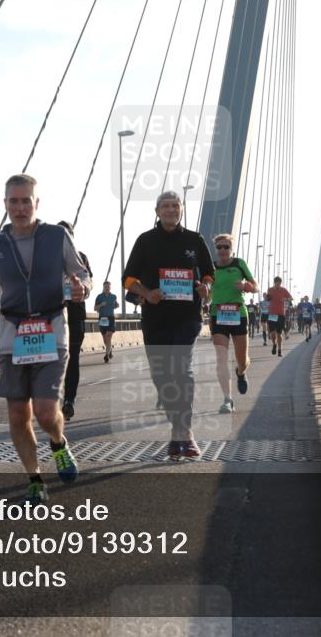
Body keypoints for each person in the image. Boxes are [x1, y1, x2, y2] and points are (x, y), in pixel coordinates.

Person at [0, 174, 91, 505]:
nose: (20, 208)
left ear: (37, 203)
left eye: (26, 201)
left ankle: (59, 443)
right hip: (13, 334)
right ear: (5, 204)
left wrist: (82, 287)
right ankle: (35, 479)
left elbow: (81, 274)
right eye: (14, 201)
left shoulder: (56, 236)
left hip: (51, 329)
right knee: (18, 416)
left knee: (47, 414)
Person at [123, 190, 214, 461]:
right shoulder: (145, 241)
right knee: (161, 376)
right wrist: (147, 292)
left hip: (187, 317)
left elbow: (209, 273)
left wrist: (205, 287)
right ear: (157, 211)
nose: (171, 210)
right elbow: (128, 278)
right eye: (166, 206)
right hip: (155, 319)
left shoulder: (195, 240)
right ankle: (178, 428)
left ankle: (184, 433)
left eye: (176, 206)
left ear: (182, 210)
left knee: (182, 369)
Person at [208, 233, 256, 414]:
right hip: (218, 313)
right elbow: (208, 294)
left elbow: (255, 286)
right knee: (221, 358)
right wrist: (204, 293)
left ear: (231, 249)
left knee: (242, 360)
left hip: (238, 313)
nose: (222, 250)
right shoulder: (211, 268)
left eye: (226, 247)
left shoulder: (239, 264)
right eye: (219, 247)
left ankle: (241, 372)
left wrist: (247, 287)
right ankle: (227, 400)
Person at [57, 221, 92, 422]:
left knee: (73, 357)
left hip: (75, 313)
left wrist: (84, 289)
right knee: (52, 360)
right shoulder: (45, 258)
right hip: (51, 315)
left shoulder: (81, 258)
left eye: (67, 235)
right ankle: (53, 399)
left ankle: (69, 400)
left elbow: (89, 279)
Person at [265, 276, 292, 357]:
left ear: (280, 283)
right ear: (274, 282)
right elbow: (268, 299)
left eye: (279, 283)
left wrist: (285, 299)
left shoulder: (283, 290)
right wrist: (267, 298)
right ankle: (274, 344)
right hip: (272, 314)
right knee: (272, 334)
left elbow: (291, 298)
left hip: (280, 314)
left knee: (279, 334)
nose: (278, 284)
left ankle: (280, 350)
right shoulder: (270, 289)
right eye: (276, 282)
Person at [94, 281, 119, 363]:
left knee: (109, 336)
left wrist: (116, 305)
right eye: (105, 287)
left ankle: (106, 356)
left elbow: (115, 305)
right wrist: (101, 305)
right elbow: (95, 308)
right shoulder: (99, 297)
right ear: (103, 287)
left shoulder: (113, 296)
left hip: (111, 318)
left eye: (108, 286)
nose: (107, 288)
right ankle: (110, 349)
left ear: (110, 287)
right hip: (103, 318)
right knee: (105, 339)